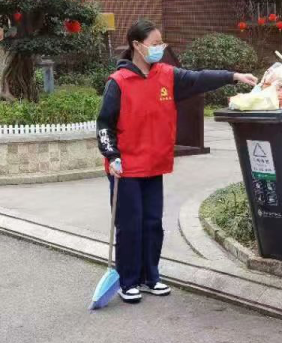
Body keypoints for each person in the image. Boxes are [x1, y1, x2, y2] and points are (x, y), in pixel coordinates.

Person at [96, 19, 258, 304]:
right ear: (137, 45)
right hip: (126, 168)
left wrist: (233, 76)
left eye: (162, 43)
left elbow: (198, 78)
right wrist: (112, 156)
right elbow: (104, 125)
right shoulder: (118, 83)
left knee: (152, 223)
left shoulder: (167, 75)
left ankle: (150, 277)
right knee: (130, 225)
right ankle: (128, 280)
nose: (160, 48)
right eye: (155, 43)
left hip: (153, 165)